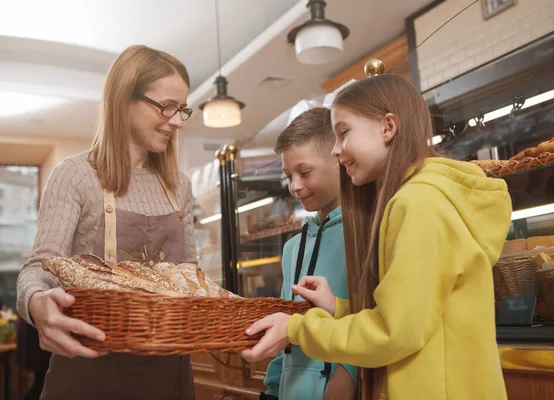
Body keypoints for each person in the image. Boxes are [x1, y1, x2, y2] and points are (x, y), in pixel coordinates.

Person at [240, 74, 512, 400]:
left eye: (343, 134)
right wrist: (339, 307)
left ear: (388, 127)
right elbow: (411, 317)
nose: (337, 151)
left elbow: (394, 332)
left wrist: (295, 329)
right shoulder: (419, 198)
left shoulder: (418, 202)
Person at [16, 44, 197, 400]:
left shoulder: (180, 187)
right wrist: (36, 302)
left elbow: (191, 277)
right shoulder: (75, 176)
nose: (177, 121)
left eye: (182, 110)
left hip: (170, 376)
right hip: (89, 374)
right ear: (123, 99)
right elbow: (39, 267)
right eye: (167, 106)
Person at [261, 107, 357, 400]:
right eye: (288, 176)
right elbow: (285, 323)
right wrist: (272, 389)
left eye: (304, 172)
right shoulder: (292, 249)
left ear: (339, 159)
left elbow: (375, 320)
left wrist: (348, 375)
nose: (295, 186)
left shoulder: (365, 234)